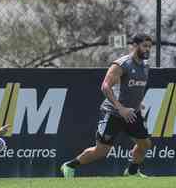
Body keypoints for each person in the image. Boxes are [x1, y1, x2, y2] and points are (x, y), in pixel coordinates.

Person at [61, 33, 153, 178]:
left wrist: (138, 103)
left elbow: (135, 88)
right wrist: (120, 108)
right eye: (144, 46)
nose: (148, 49)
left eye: (149, 47)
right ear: (135, 46)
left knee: (145, 144)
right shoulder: (122, 64)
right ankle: (70, 165)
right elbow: (105, 86)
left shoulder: (145, 66)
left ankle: (132, 172)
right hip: (113, 113)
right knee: (101, 151)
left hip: (132, 113)